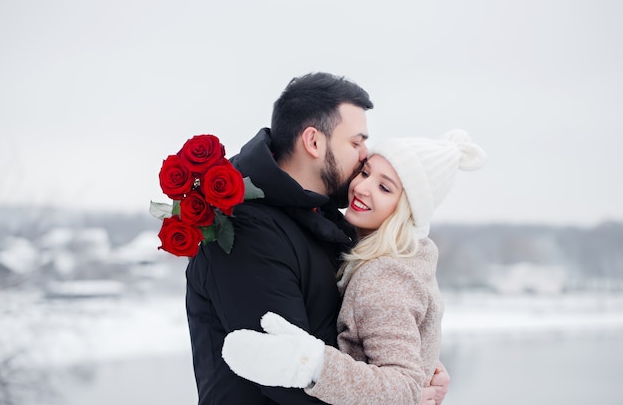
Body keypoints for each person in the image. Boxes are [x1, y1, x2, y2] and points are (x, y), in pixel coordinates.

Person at [185, 72, 450, 404]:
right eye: (356, 142)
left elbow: (365, 336)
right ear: (313, 142)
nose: (364, 154)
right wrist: (404, 396)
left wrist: (416, 368)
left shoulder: (323, 218)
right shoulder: (246, 234)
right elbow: (289, 386)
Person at [222, 130, 486, 405]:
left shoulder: (383, 278)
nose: (362, 187)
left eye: (384, 188)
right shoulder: (402, 259)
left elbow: (404, 386)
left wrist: (309, 363)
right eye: (365, 173)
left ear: (407, 211)